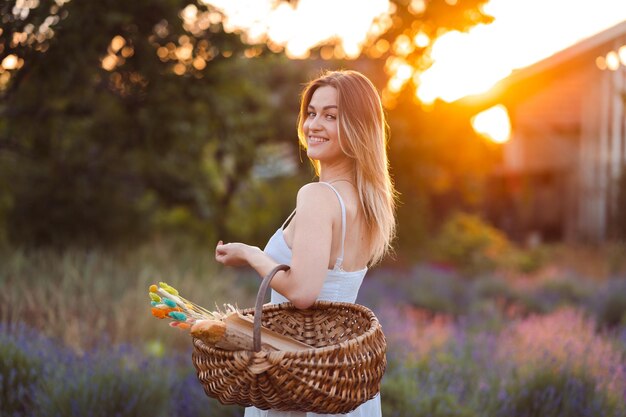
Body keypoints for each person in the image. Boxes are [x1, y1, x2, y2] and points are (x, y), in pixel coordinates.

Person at [214, 69, 397, 417]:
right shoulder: (367, 202)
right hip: (342, 382)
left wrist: (251, 254)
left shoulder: (317, 196)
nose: (314, 124)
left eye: (331, 116)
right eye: (311, 113)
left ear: (358, 128)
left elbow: (302, 293)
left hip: (299, 385)